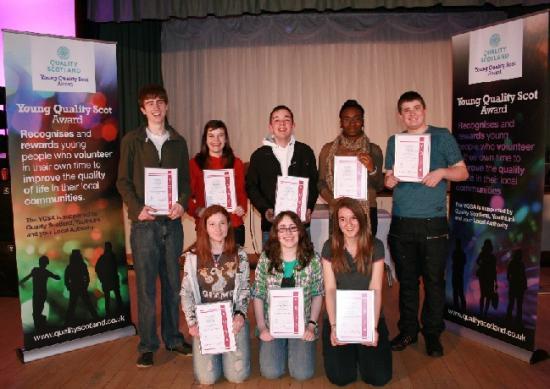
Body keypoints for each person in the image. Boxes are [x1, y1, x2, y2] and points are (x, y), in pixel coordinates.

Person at [384, 91, 468, 357]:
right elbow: (388, 176)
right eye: (406, 110)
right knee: (406, 282)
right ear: (400, 115)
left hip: (433, 223)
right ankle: (409, 330)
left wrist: (442, 172)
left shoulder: (442, 136)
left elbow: (462, 172)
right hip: (402, 222)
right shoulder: (394, 141)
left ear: (425, 110)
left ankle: (432, 333)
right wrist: (389, 180)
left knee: (433, 282)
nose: (411, 114)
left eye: (416, 108)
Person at [116, 84, 192, 368]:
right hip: (145, 227)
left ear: (167, 106)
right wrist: (138, 210)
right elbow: (122, 181)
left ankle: (173, 338)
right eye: (150, 102)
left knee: (173, 285)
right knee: (146, 288)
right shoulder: (131, 141)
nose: (156, 107)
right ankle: (148, 344)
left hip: (172, 226)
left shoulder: (179, 141)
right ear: (142, 109)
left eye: (160, 101)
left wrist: (182, 203)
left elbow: (185, 183)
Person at [321, 197, 392, 386]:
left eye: (353, 218)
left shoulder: (375, 245)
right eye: (342, 219)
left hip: (367, 317)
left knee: (379, 377)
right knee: (341, 378)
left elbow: (376, 288)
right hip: (338, 317)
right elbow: (329, 289)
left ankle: (361, 351)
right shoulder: (329, 247)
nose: (348, 224)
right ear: (337, 222)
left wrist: (372, 328)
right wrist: (335, 327)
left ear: (361, 219)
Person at [180, 205, 251, 384]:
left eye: (222, 223)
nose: (218, 229)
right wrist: (192, 322)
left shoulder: (240, 254)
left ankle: (229, 348)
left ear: (228, 225)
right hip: (206, 323)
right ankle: (217, 352)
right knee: (207, 379)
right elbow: (186, 293)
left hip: (232, 320)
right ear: (205, 227)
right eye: (212, 224)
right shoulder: (193, 257)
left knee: (237, 376)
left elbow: (244, 289)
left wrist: (240, 314)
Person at [252, 211, 324, 380]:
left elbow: (317, 294)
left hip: (303, 325)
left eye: (293, 228)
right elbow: (258, 294)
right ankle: (282, 344)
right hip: (272, 325)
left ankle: (298, 344)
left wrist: (311, 326)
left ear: (300, 231)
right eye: (282, 228)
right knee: (270, 372)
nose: (288, 233)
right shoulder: (266, 258)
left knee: (302, 374)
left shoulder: (313, 259)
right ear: (276, 233)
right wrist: (262, 327)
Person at [246, 105, 318, 245]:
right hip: (271, 226)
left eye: (286, 119)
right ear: (270, 127)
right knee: (272, 266)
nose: (282, 123)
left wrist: (309, 207)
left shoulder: (305, 152)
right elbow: (251, 187)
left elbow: (314, 183)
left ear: (293, 125)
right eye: (276, 120)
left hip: (300, 224)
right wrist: (265, 209)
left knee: (303, 265)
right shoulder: (259, 155)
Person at [318, 99, 384, 236]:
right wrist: (333, 201)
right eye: (347, 119)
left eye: (357, 119)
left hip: (366, 211)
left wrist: (372, 169)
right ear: (341, 123)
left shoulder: (374, 150)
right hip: (338, 210)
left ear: (363, 121)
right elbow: (321, 183)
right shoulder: (328, 150)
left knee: (366, 255)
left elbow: (379, 186)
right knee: (339, 254)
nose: (352, 123)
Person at [187, 120, 248, 246]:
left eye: (220, 135)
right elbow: (186, 196)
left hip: (233, 224)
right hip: (206, 225)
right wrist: (196, 210)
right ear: (205, 139)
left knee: (234, 265)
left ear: (226, 139)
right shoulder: (194, 164)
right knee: (208, 265)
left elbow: (241, 192)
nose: (216, 140)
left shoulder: (237, 163)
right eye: (211, 135)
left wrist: (242, 207)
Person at [19, 255, 60, 332]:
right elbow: (56, 277)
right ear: (46, 264)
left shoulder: (35, 270)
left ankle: (37, 325)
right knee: (39, 308)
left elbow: (27, 277)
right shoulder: (46, 272)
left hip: (37, 293)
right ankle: (39, 326)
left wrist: (21, 282)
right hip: (42, 293)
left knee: (36, 309)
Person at [64, 249, 99, 325]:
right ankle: (96, 319)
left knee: (72, 306)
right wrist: (85, 285)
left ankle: (67, 322)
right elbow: (87, 277)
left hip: (74, 287)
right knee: (88, 304)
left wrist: (69, 286)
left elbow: (66, 279)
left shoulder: (70, 267)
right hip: (81, 287)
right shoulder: (82, 265)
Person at [95, 241, 123, 317]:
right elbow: (97, 268)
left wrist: (101, 278)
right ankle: (116, 311)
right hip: (110, 280)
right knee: (113, 297)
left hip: (109, 280)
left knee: (111, 297)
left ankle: (114, 312)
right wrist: (101, 278)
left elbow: (97, 268)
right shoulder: (110, 257)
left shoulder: (106, 257)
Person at [476, 239, 498, 317]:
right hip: (489, 277)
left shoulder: (482, 254)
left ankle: (482, 312)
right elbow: (494, 271)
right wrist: (496, 282)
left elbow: (477, 261)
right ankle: (484, 312)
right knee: (487, 296)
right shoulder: (492, 257)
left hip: (483, 276)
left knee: (483, 295)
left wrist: (482, 264)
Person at [506, 249, 527, 325]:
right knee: (515, 304)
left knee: (516, 304)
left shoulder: (516, 263)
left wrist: (524, 284)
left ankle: (513, 319)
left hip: (516, 286)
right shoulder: (517, 263)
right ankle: (512, 319)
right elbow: (508, 275)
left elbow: (523, 275)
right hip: (516, 286)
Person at [451, 239, 467, 311]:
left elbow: (454, 261)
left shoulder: (456, 253)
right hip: (458, 274)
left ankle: (457, 307)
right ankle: (461, 307)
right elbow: (464, 262)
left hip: (456, 274)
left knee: (457, 291)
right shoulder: (462, 253)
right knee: (459, 291)